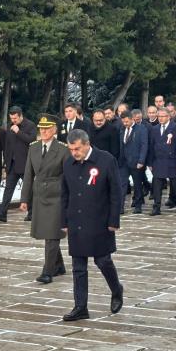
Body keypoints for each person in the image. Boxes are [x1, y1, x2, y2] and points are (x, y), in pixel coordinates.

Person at [60, 129, 123, 322]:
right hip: (76, 221)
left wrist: (114, 220)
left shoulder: (105, 160)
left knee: (102, 260)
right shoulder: (68, 163)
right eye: (71, 149)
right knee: (78, 266)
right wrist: (64, 220)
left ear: (87, 144)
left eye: (77, 149)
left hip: (99, 220)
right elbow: (65, 194)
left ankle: (116, 289)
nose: (74, 153)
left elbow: (116, 192)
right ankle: (80, 307)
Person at [21, 116, 70, 284]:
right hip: (39, 195)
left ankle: (47, 272)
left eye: (47, 129)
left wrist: (69, 198)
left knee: (52, 234)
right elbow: (28, 174)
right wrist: (24, 198)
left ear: (55, 130)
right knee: (47, 232)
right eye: (41, 128)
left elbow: (68, 176)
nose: (44, 131)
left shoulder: (63, 149)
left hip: (56, 195)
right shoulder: (33, 148)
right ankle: (59, 265)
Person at [0, 106, 37, 222]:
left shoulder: (30, 125)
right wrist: (6, 162)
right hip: (12, 164)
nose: (13, 120)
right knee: (8, 189)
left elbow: (32, 141)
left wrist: (18, 132)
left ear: (20, 115)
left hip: (25, 164)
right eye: (11, 118)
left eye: (15, 118)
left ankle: (31, 213)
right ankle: (2, 214)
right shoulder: (10, 127)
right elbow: (7, 146)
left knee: (29, 189)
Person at [147, 108, 176, 215]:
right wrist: (150, 162)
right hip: (158, 161)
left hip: (172, 161)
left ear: (169, 117)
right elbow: (151, 146)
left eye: (163, 116)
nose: (161, 118)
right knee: (157, 185)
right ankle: (156, 206)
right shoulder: (154, 129)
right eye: (159, 116)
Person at [118, 111, 149, 214]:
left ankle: (138, 205)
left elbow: (144, 145)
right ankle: (120, 207)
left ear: (132, 119)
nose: (125, 124)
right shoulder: (122, 129)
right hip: (123, 162)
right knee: (122, 184)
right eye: (123, 122)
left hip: (136, 161)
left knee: (137, 184)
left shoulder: (141, 129)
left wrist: (141, 160)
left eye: (127, 121)